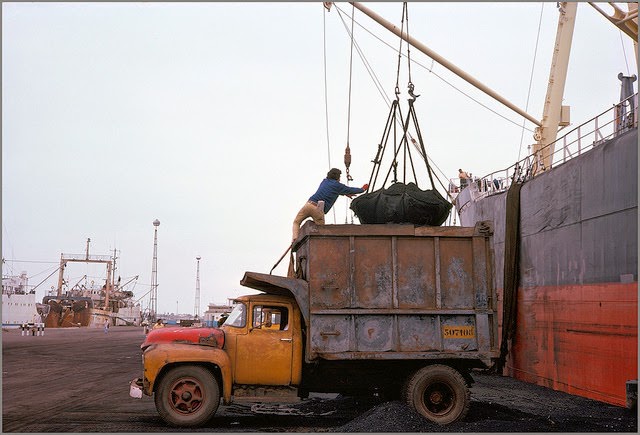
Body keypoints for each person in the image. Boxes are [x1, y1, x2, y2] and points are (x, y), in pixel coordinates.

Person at [292, 168, 368, 242]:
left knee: (296, 222)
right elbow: (351, 190)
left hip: (308, 204)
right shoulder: (338, 186)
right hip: (318, 209)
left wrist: (344, 194)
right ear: (337, 177)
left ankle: (295, 238)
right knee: (320, 232)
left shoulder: (324, 181)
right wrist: (363, 189)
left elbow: (328, 190)